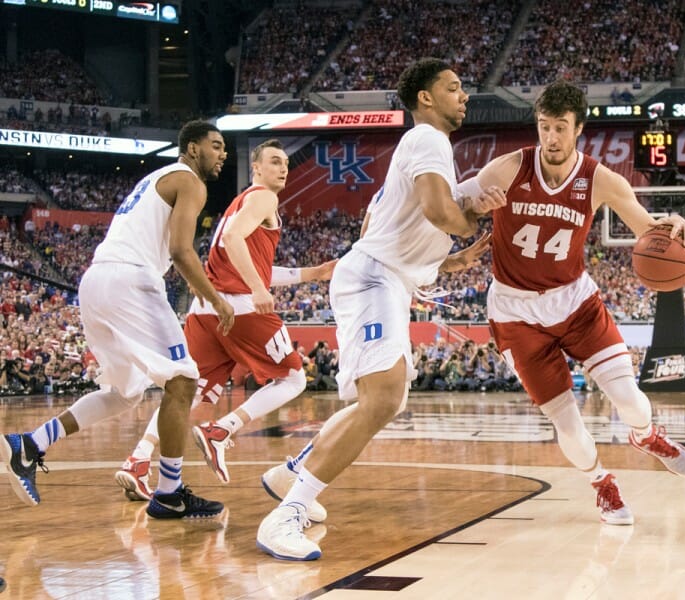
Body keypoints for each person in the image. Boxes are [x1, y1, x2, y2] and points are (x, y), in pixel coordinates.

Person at [254, 57, 505, 560]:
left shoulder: (428, 150)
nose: (465, 96)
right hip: (373, 277)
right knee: (384, 398)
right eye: (454, 88)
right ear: (426, 99)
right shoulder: (428, 138)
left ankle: (290, 474)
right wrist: (472, 214)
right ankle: (288, 514)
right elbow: (439, 213)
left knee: (383, 399)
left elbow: (412, 234)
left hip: (385, 279)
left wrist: (459, 257)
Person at [452, 80, 685, 525]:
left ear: (578, 129)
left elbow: (647, 229)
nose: (550, 137)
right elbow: (449, 208)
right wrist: (469, 214)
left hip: (575, 302)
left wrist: (671, 224)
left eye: (560, 128)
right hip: (515, 312)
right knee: (567, 424)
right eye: (544, 127)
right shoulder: (507, 169)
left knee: (631, 400)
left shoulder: (601, 180)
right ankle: (602, 483)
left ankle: (645, 436)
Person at [1, 120, 235, 519]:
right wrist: (215, 299)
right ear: (192, 148)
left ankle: (30, 444)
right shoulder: (190, 181)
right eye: (215, 146)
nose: (223, 154)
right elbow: (181, 250)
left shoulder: (154, 178)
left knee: (125, 393)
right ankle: (170, 492)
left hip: (96, 281)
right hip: (130, 280)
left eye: (225, 149)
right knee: (182, 380)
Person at [113, 140, 334, 519]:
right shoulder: (263, 198)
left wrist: (307, 275)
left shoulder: (240, 203)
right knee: (294, 378)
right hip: (240, 307)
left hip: (206, 310)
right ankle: (223, 430)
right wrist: (260, 289)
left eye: (285, 163)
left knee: (187, 394)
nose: (283, 168)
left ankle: (139, 459)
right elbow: (235, 243)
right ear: (257, 169)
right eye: (274, 162)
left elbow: (243, 256)